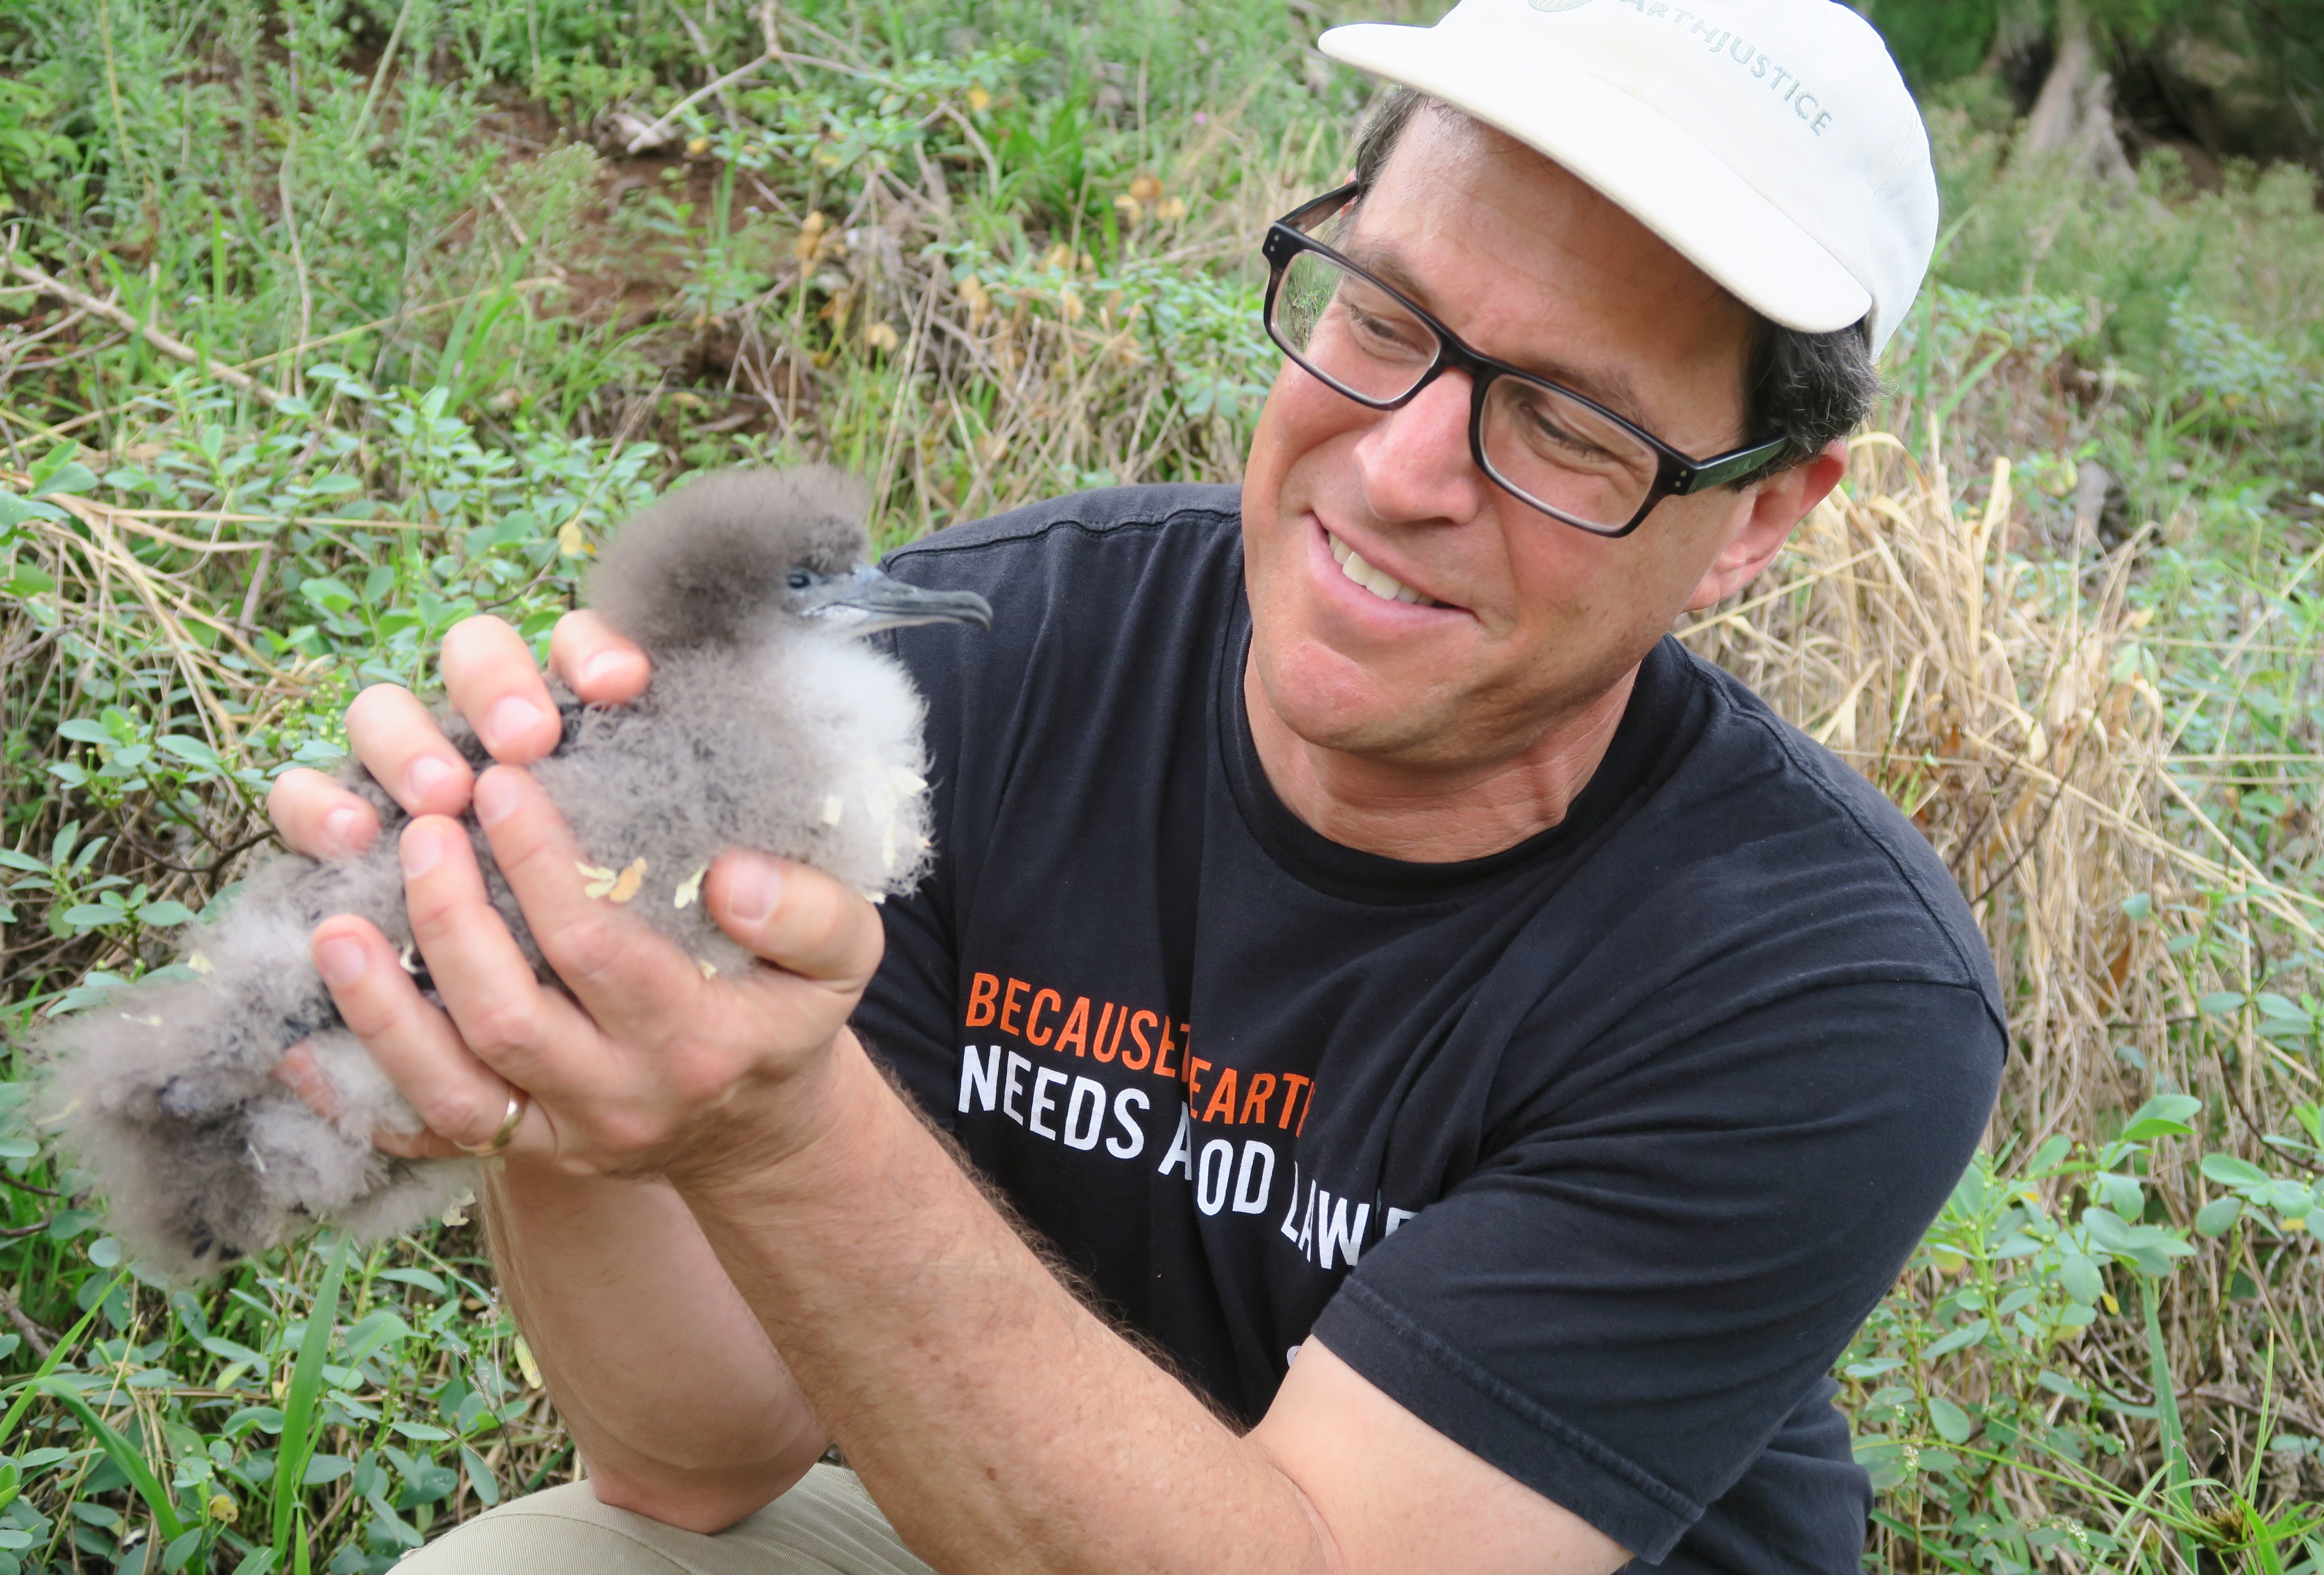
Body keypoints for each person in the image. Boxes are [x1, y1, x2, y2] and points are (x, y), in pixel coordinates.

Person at [265, 0, 2006, 1569]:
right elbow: (697, 1463)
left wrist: (780, 1128)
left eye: (1567, 424)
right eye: (1385, 318)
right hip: (995, 1493)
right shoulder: (983, 660)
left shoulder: (1821, 984)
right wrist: (562, 1033)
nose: (1400, 472)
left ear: (1761, 516)